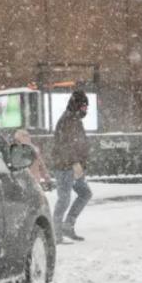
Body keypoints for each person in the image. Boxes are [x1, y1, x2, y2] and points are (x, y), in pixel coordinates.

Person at [50, 90, 93, 242]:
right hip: (65, 166)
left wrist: (81, 162)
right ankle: (56, 233)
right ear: (77, 105)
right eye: (84, 107)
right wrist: (75, 162)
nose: (86, 110)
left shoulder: (74, 120)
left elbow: (78, 143)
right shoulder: (67, 120)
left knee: (85, 194)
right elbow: (65, 145)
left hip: (74, 166)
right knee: (64, 199)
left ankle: (67, 226)